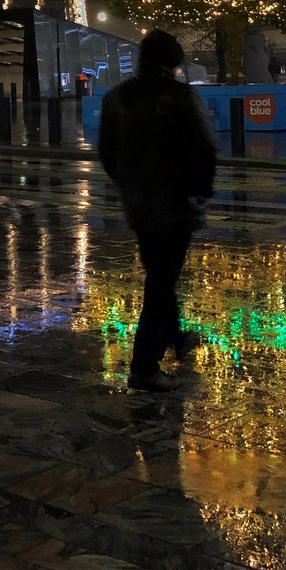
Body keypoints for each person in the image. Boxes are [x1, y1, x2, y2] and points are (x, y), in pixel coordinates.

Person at [98, 30, 216, 391]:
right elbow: (202, 147)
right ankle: (144, 367)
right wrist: (200, 192)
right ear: (175, 61)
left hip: (137, 200)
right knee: (161, 280)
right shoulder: (180, 97)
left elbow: (106, 150)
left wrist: (126, 182)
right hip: (174, 200)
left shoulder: (117, 98)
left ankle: (176, 336)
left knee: (158, 270)